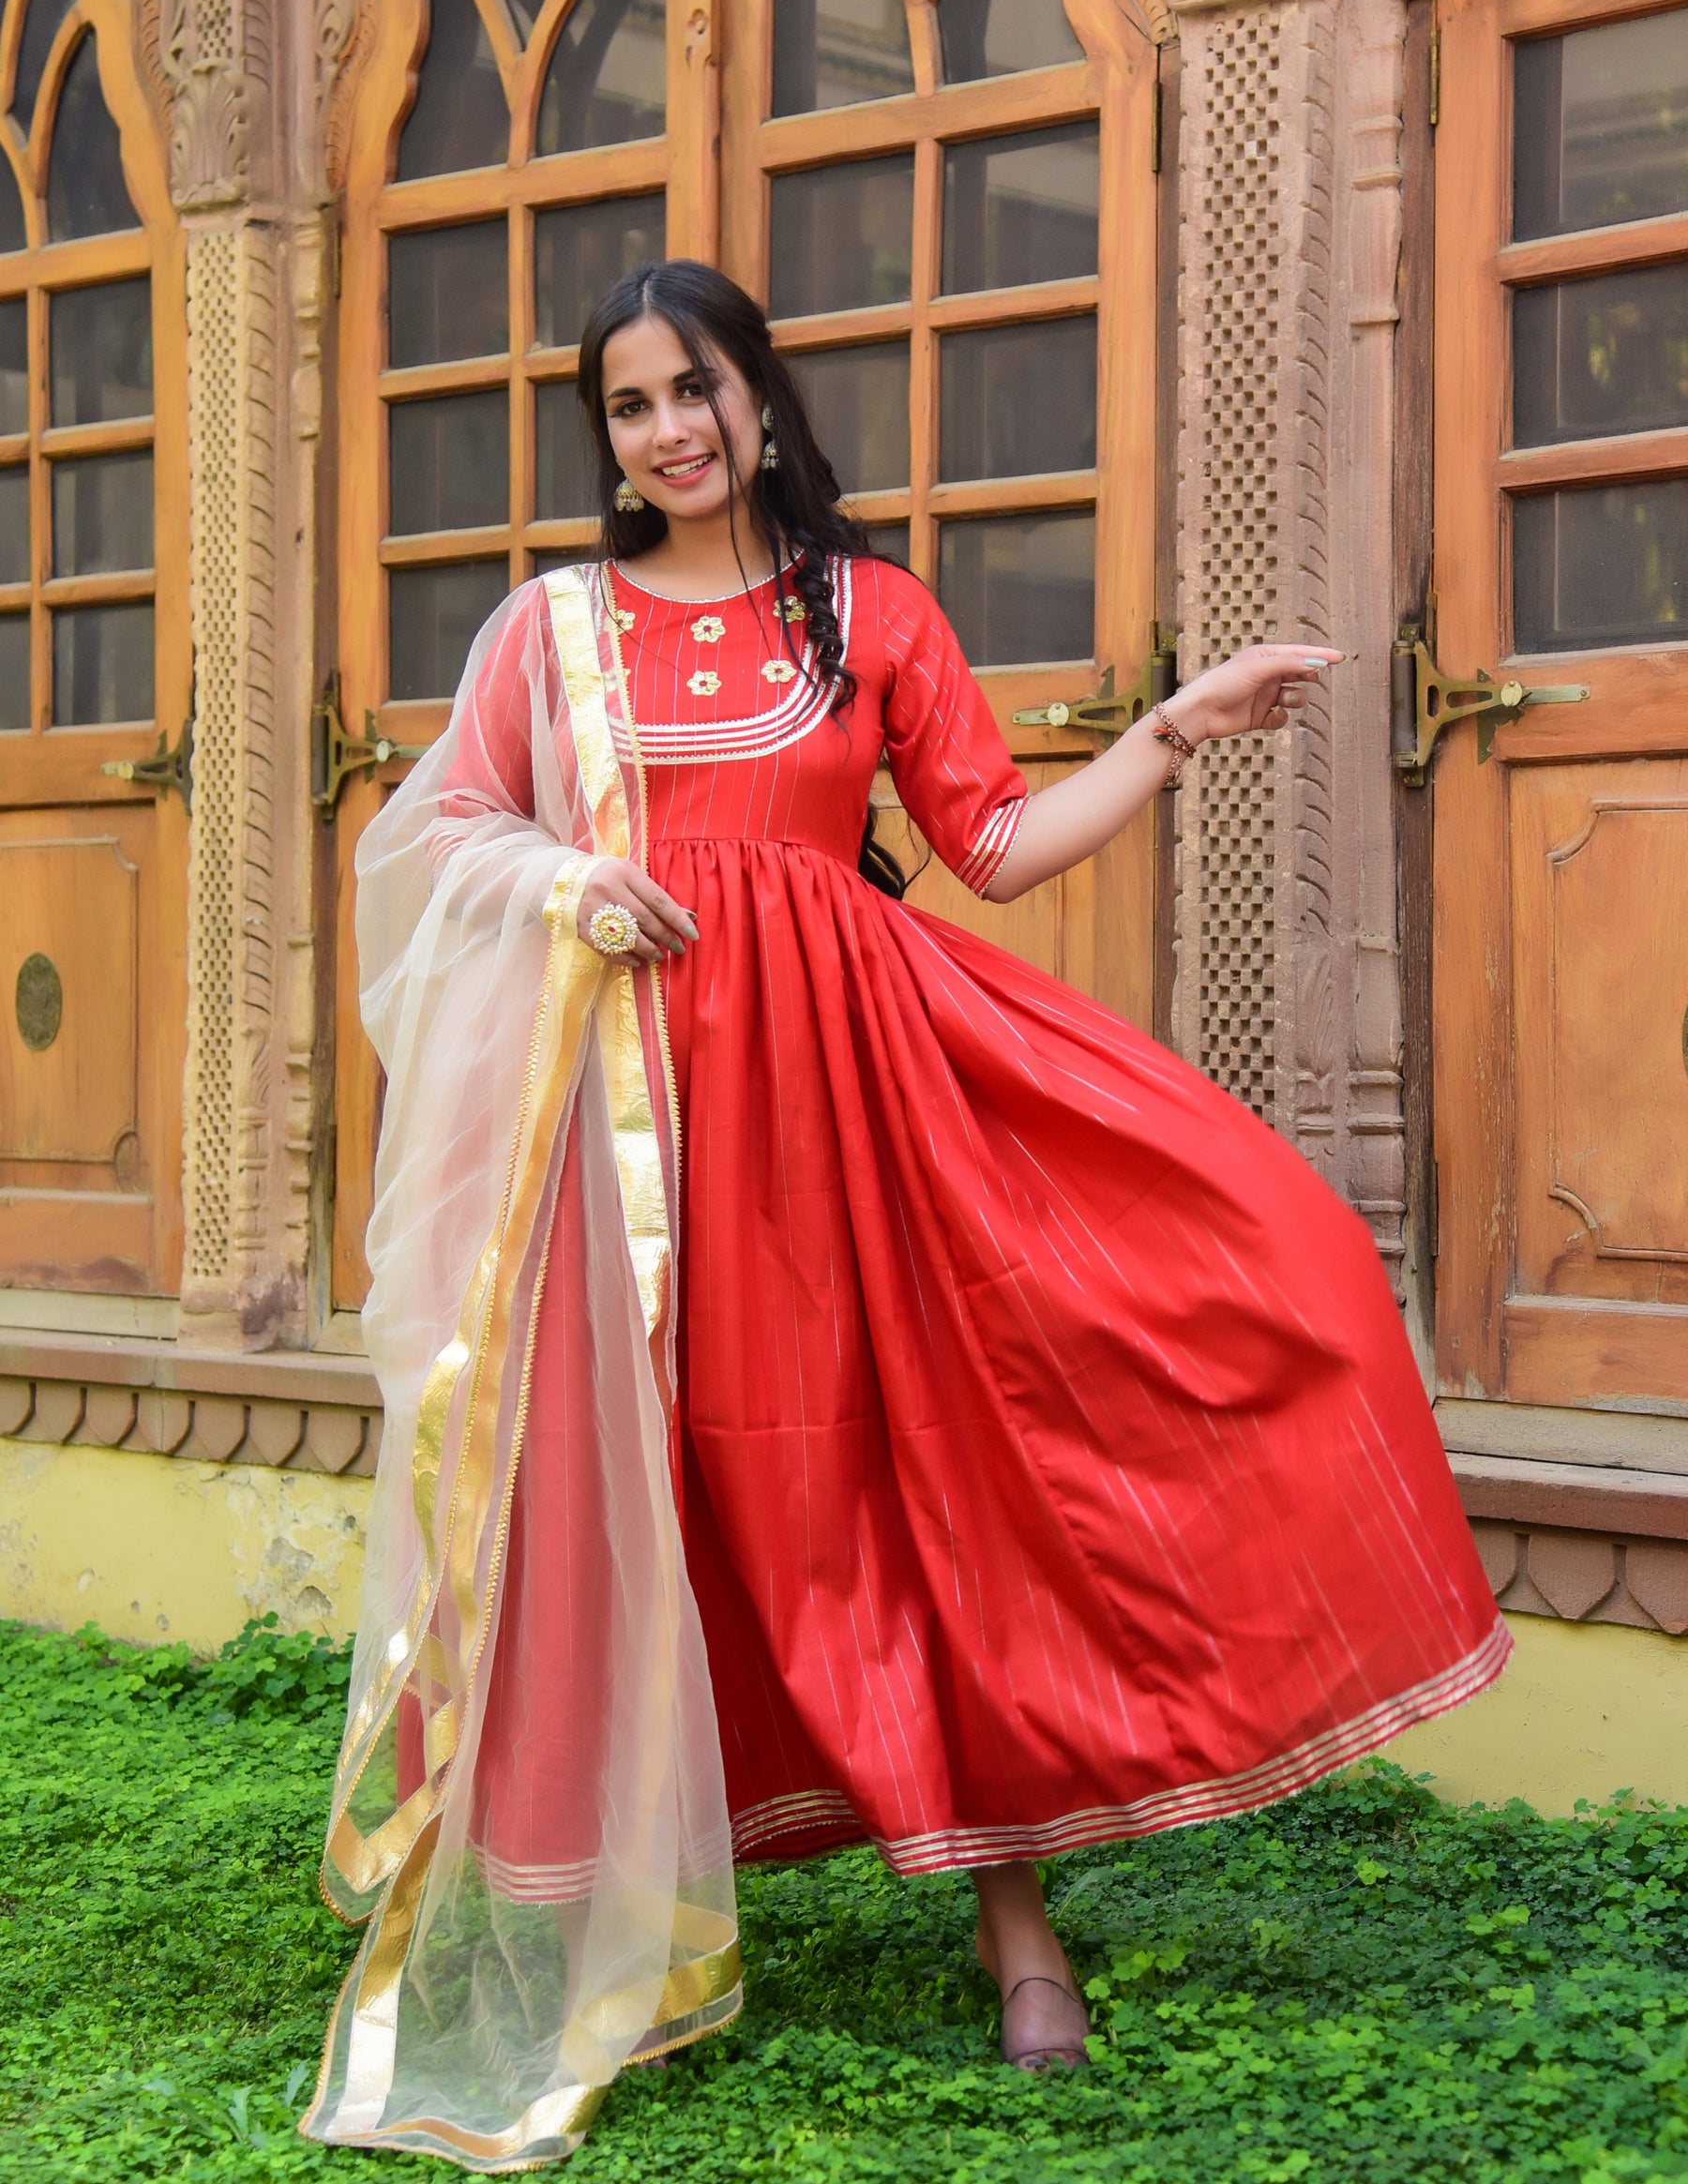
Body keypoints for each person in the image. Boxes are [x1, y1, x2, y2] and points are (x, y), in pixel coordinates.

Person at [302, 262, 1507, 2170]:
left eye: (693, 387)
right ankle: (583, 1914)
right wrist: (560, 881)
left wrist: (1175, 728)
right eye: (628, 404)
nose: (668, 429)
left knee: (936, 1484)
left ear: (761, 402)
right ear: (605, 438)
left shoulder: (870, 618)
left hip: (863, 1122)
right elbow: (436, 832)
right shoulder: (553, 633)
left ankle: (1014, 1916)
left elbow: (998, 850)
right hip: (626, 1135)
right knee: (630, 1495)